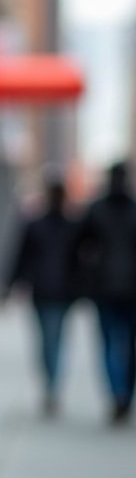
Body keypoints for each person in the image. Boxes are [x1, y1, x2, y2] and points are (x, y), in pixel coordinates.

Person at [2, 175, 78, 416]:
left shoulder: (67, 225)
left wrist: (10, 284)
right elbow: (20, 256)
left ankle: (51, 384)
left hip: (55, 291)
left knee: (50, 338)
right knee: (52, 338)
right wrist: (10, 283)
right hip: (50, 291)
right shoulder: (54, 225)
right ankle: (52, 384)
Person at [73, 160, 136, 424]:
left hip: (105, 288)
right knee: (129, 344)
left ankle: (117, 392)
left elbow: (78, 245)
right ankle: (124, 394)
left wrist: (87, 273)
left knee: (110, 341)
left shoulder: (97, 209)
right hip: (130, 288)